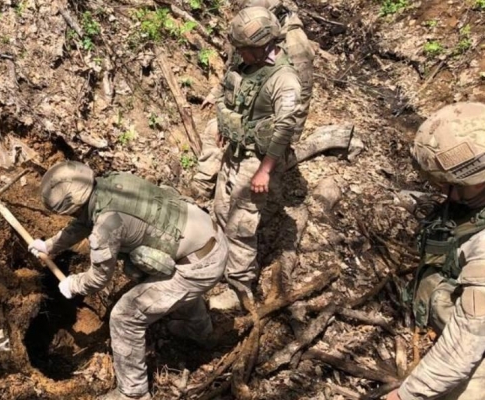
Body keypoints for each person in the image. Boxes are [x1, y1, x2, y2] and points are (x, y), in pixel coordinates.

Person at [28, 161, 228, 400]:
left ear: (72, 205)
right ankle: (199, 331)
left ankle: (133, 394)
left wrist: (73, 284)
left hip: (199, 267)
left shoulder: (106, 226)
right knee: (166, 280)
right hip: (209, 239)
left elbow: (98, 279)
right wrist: (49, 245)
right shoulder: (111, 184)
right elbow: (83, 222)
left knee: (124, 317)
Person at [388, 102, 485, 400]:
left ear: (479, 178)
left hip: (483, 371)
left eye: (449, 184)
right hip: (473, 341)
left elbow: (459, 353)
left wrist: (404, 396)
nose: (444, 191)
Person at [192, 7, 304, 299]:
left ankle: (238, 287)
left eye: (245, 48)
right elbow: (232, 92)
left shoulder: (284, 80)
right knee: (219, 210)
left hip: (256, 159)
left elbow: (284, 129)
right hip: (235, 150)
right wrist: (223, 121)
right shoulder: (247, 63)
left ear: (264, 44)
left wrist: (264, 170)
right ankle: (213, 264)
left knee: (241, 224)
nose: (240, 53)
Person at [191, 0, 314, 199]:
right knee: (214, 128)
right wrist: (218, 96)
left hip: (267, 124)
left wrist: (285, 145)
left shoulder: (295, 46)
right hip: (246, 110)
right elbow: (235, 68)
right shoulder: (249, 33)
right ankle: (204, 184)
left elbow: (299, 98)